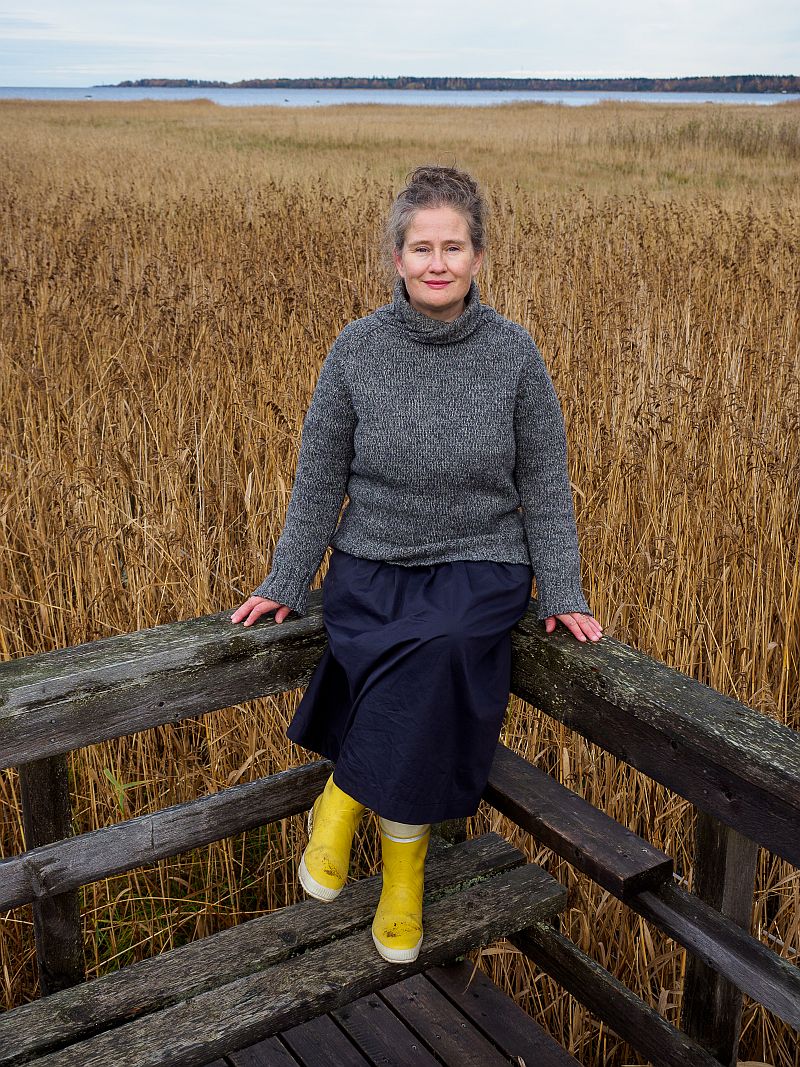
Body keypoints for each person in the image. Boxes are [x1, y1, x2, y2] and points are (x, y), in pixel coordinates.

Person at [231, 165, 602, 965]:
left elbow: (544, 481)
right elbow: (319, 478)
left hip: (480, 564)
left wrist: (564, 588)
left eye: (454, 247)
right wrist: (285, 580)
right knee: (421, 683)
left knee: (444, 645)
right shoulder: (356, 350)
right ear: (397, 257)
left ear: (479, 256)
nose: (438, 262)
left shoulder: (515, 355)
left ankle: (344, 796)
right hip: (372, 561)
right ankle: (404, 875)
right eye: (422, 247)